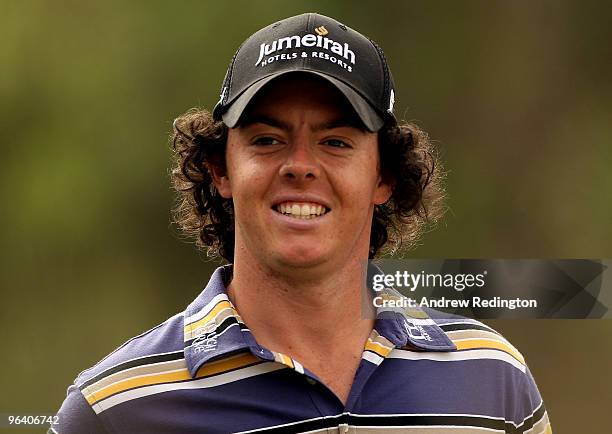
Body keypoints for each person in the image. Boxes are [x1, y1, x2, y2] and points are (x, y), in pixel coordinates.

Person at [51, 13, 551, 434]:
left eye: (336, 142)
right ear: (220, 170)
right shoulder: (115, 410)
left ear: (385, 178)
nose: (300, 165)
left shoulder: (493, 380)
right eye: (267, 139)